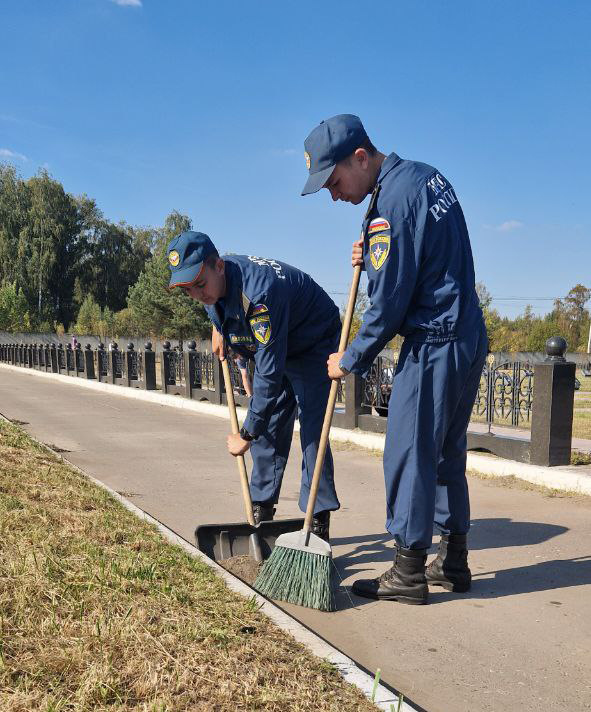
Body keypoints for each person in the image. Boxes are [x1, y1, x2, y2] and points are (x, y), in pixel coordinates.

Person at [302, 114, 488, 604]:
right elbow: (423, 252)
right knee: (446, 451)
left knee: (408, 452)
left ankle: (407, 572)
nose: (333, 194)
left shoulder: (390, 206)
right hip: (468, 333)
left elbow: (388, 306)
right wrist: (379, 251)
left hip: (433, 342)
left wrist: (351, 358)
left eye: (334, 181)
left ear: (360, 157)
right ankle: (453, 561)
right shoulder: (425, 177)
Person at [166, 230, 342, 540]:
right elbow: (214, 299)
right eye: (188, 290)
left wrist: (247, 433)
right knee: (270, 427)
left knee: (314, 426)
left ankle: (318, 519)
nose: (197, 295)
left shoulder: (259, 296)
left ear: (218, 265)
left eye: (200, 285)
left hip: (313, 339)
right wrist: (218, 326)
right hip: (279, 337)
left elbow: (269, 375)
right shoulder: (215, 283)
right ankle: (262, 509)